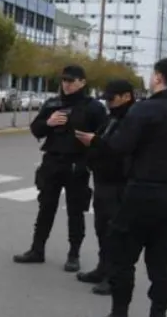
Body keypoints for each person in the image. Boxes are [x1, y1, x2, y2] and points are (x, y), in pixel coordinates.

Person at [77, 57, 167, 317]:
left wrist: (94, 142)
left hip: (141, 191)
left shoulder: (144, 110)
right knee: (161, 264)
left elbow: (119, 147)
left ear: (158, 77)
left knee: (122, 258)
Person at [14, 64, 107, 271]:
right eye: (64, 80)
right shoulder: (53, 103)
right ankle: (37, 249)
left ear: (82, 82)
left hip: (77, 164)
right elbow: (36, 129)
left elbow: (104, 138)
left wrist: (90, 148)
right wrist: (49, 122)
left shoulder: (94, 108)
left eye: (71, 81)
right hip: (52, 162)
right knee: (45, 207)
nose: (66, 85)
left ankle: (73, 255)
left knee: (75, 211)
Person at [77, 79, 136, 296]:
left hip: (118, 182)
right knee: (102, 227)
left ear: (126, 96)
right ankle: (103, 269)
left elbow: (117, 148)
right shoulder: (113, 117)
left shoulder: (131, 119)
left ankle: (113, 277)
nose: (109, 103)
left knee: (115, 231)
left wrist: (95, 142)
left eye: (112, 98)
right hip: (103, 180)